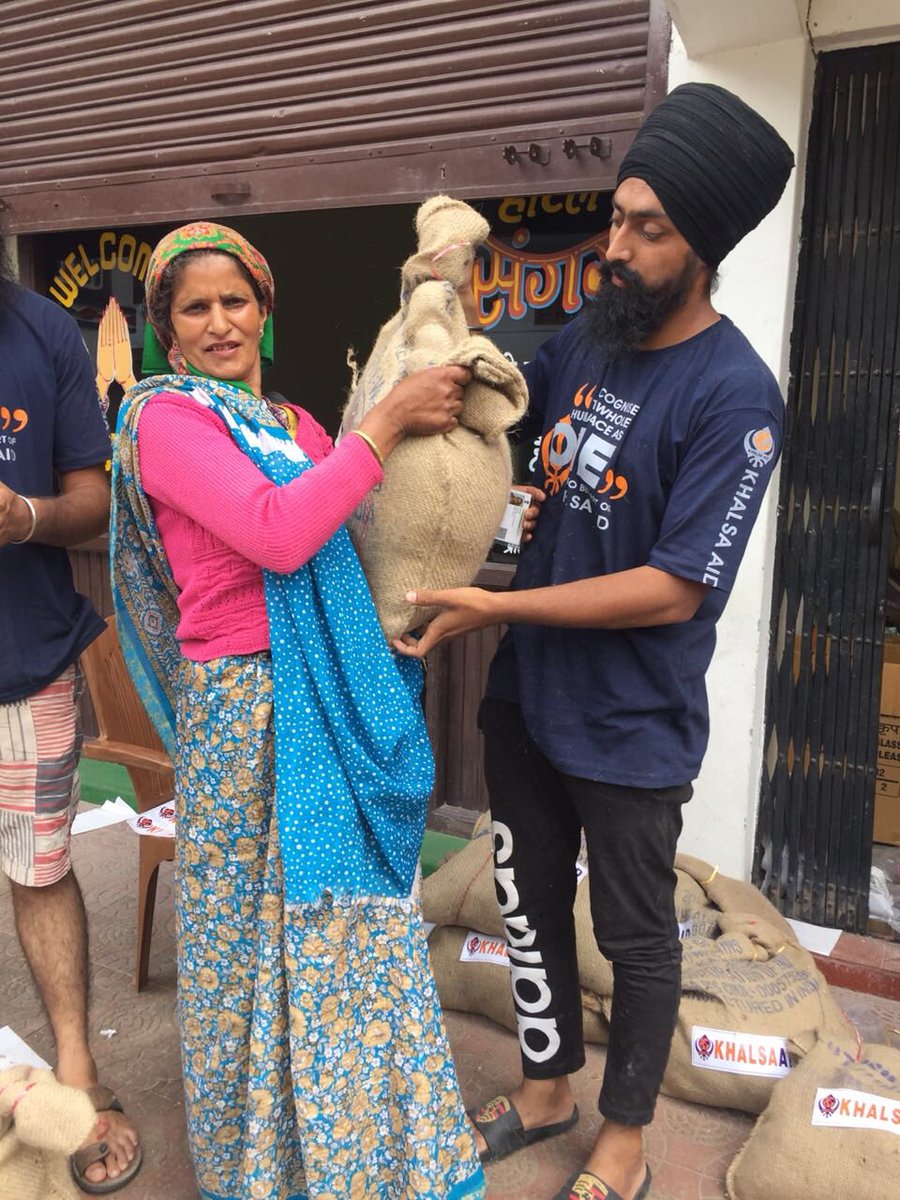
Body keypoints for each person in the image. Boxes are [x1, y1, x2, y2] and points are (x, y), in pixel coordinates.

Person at [396, 83, 795, 1200]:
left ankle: (624, 1135)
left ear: (703, 247)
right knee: (523, 897)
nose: (615, 247)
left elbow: (674, 589)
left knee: (634, 935)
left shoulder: (736, 397)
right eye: (617, 218)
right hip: (532, 694)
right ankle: (546, 1086)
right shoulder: (587, 339)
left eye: (648, 229)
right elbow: (514, 448)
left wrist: (497, 607)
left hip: (628, 720)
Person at [110, 221, 486, 1200]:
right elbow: (277, 534)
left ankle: (362, 1155)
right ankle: (259, 1162)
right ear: (168, 330)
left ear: (265, 313)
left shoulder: (296, 426)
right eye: (196, 307)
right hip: (243, 709)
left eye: (237, 301)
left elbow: (352, 538)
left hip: (325, 686)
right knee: (252, 936)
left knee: (341, 931)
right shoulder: (164, 422)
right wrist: (389, 423)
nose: (220, 322)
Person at [0, 251, 142, 1191]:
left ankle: (80, 1076)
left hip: (24, 657)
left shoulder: (42, 332)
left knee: (40, 866)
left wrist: (24, 515)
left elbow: (94, 498)